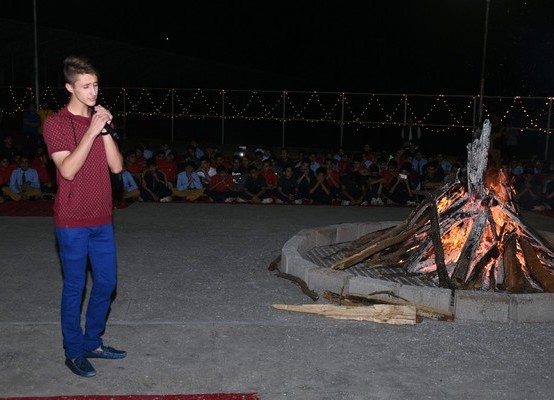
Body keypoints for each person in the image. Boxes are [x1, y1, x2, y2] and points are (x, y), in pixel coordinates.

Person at [42, 55, 126, 378]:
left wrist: (104, 130)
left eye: (96, 85)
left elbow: (116, 167)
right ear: (70, 88)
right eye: (86, 86)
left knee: (106, 282)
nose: (93, 92)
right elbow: (67, 170)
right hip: (72, 221)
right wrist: (91, 131)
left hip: (102, 217)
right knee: (75, 287)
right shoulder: (56, 124)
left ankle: (93, 342)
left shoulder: (98, 121)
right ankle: (74, 351)